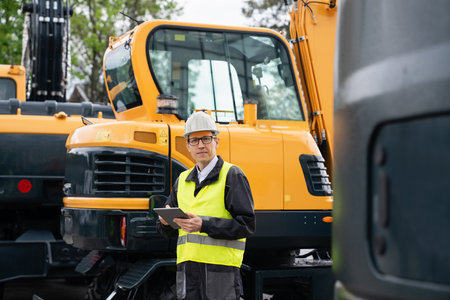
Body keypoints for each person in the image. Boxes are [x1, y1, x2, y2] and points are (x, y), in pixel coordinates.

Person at [156, 111, 255, 300]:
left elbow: (247, 225)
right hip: (188, 272)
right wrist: (165, 223)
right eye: (194, 140)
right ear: (188, 146)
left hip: (221, 272)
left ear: (216, 142)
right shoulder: (182, 180)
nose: (201, 145)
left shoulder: (232, 175)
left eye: (206, 139)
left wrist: (203, 225)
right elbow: (169, 232)